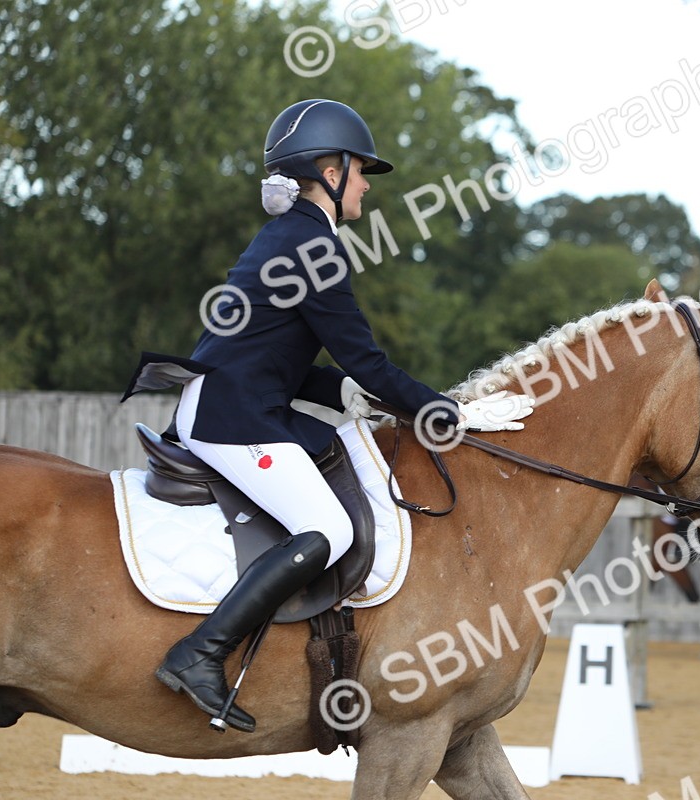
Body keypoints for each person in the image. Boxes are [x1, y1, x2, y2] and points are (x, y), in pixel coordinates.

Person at [122, 99, 532, 733]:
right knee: (327, 529)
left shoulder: (291, 237)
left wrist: (340, 389)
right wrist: (451, 411)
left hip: (241, 399)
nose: (367, 185)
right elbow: (368, 360)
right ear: (331, 172)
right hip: (234, 417)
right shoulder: (314, 246)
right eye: (361, 171)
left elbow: (263, 349)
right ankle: (199, 653)